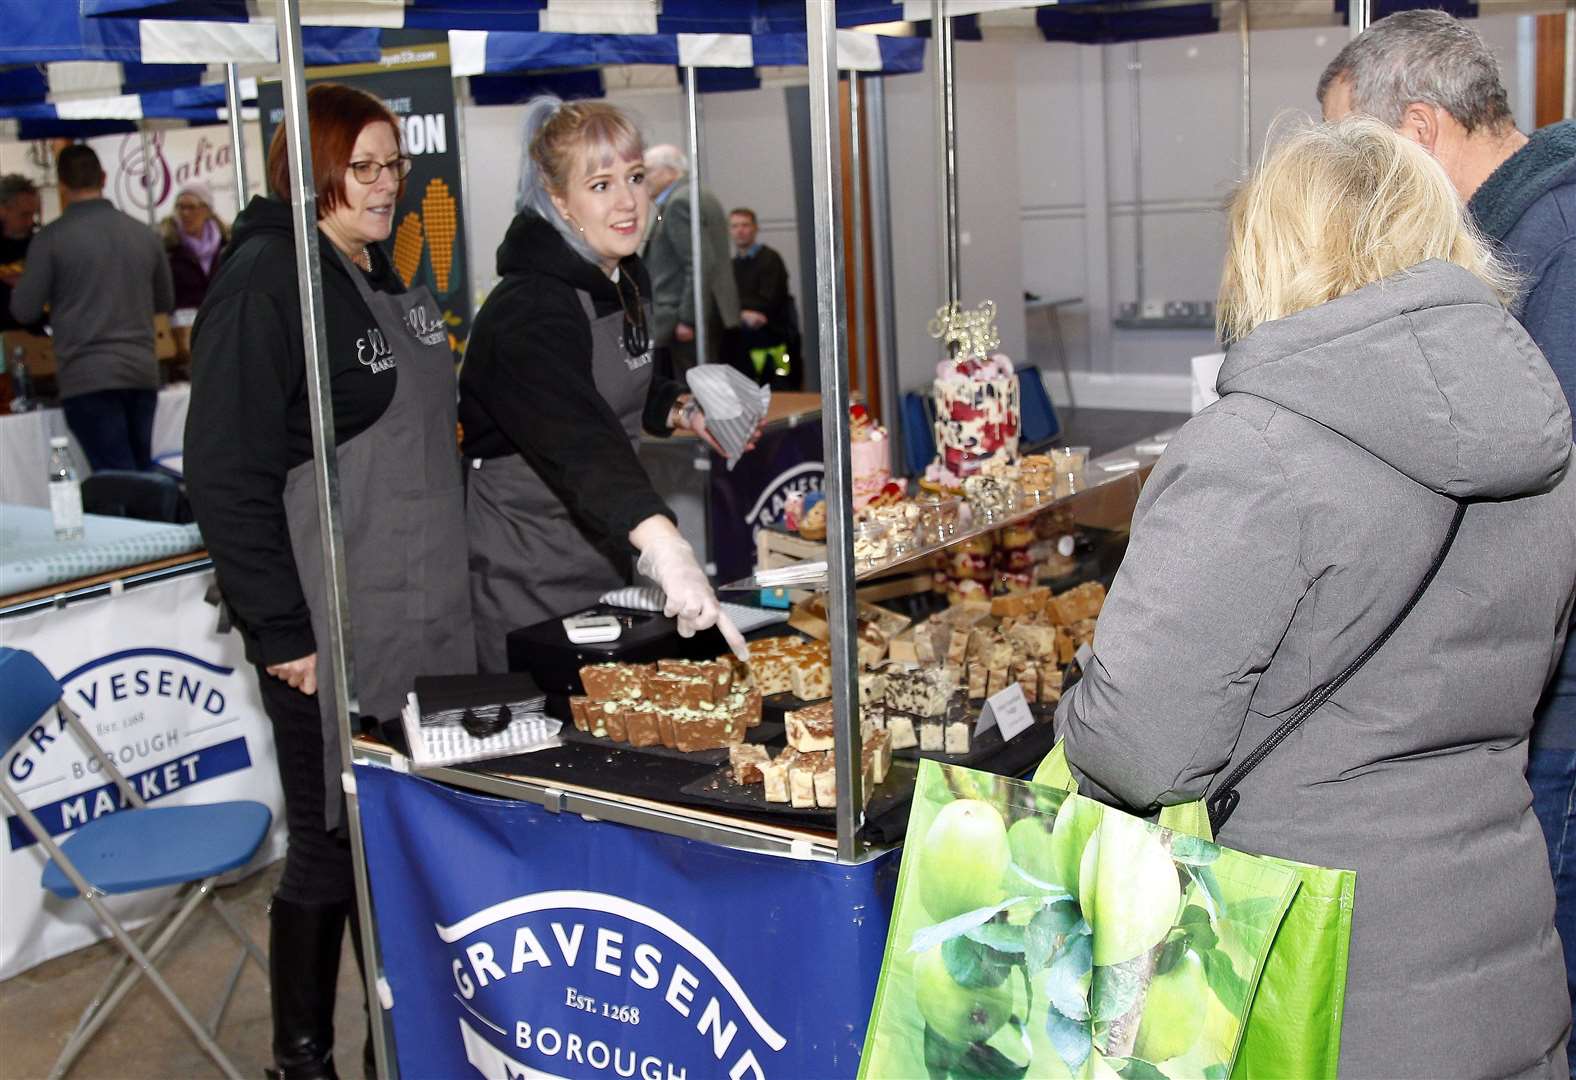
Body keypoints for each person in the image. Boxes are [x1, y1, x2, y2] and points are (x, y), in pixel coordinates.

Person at [1057, 118, 1575, 1078]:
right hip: (1501, 956)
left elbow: (1139, 747)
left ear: (1270, 250)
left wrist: (1082, 697)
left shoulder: (1254, 448)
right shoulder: (1539, 435)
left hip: (1310, 985)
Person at [184, 83, 474, 1080]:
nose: (387, 183)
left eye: (395, 165)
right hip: (330, 633)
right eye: (364, 166)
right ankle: (300, 1063)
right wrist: (281, 631)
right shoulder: (270, 278)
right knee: (327, 851)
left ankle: (393, 1049)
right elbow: (224, 470)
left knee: (387, 852)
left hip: (419, 618)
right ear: (310, 171)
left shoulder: (365, 264)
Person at [1319, 9, 1576, 1045]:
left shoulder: (1549, 241)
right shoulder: (1518, 231)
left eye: (1358, 153)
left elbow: (1536, 495)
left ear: (1419, 130)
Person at [460, 98, 748, 674]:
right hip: (529, 569)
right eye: (600, 184)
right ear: (558, 198)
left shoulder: (621, 276)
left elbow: (628, 384)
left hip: (609, 548)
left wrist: (682, 409)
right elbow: (580, 439)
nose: (627, 202)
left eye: (635, 178)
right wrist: (668, 548)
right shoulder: (528, 312)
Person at [9, 146, 173, 470]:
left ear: (62, 184)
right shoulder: (143, 233)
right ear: (104, 177)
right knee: (139, 472)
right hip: (141, 369)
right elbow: (165, 302)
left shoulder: (51, 239)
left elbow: (24, 310)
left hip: (87, 374)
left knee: (119, 480)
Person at [640, 143, 739, 372]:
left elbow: (699, 263)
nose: (643, 179)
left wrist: (688, 318)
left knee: (694, 389)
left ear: (669, 171)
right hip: (706, 311)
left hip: (687, 317)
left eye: (648, 171)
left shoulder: (679, 202)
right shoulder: (700, 194)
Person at [727, 206, 801, 390]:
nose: (740, 230)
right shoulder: (731, 266)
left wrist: (740, 309)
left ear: (755, 228)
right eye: (735, 226)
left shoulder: (770, 259)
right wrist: (743, 313)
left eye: (745, 225)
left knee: (780, 393)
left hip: (774, 342)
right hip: (744, 346)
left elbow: (770, 299)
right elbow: (726, 300)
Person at [161, 181, 230, 366]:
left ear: (207, 210)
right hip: (184, 339)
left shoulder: (227, 246)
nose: (185, 214)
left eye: (191, 207)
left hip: (223, 331)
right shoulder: (169, 249)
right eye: (180, 207)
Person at [0, 173, 41, 333]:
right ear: (3, 209)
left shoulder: (40, 245)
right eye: (24, 214)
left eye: (33, 214)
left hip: (34, 336)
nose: (30, 222)